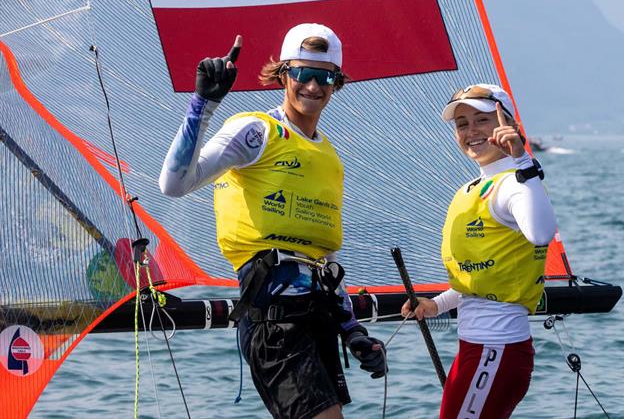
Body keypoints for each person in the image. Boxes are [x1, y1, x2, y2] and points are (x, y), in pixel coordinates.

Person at [160, 23, 385, 419]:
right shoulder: (257, 131)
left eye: (325, 76)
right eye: (302, 73)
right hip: (274, 317)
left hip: (318, 315)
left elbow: (325, 258)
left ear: (337, 83)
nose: (313, 86)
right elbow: (174, 183)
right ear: (283, 74)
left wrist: (353, 331)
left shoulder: (328, 155)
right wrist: (203, 104)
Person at [402, 84, 557, 419]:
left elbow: (542, 233)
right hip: (477, 347)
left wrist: (523, 158)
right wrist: (437, 304)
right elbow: (478, 281)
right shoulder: (470, 190)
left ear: (507, 123)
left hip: (497, 349)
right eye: (462, 124)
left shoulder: (516, 183)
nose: (470, 131)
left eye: (482, 120)